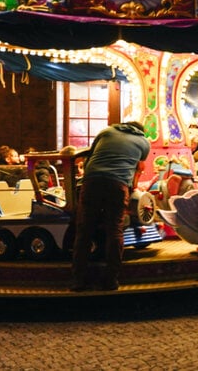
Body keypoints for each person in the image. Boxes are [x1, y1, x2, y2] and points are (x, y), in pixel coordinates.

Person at [71, 121, 150, 292]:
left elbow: (89, 156)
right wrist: (132, 186)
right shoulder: (144, 142)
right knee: (115, 229)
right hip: (118, 184)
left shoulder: (106, 131)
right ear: (140, 131)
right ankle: (110, 280)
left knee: (84, 229)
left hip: (92, 180)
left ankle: (78, 280)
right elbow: (139, 167)